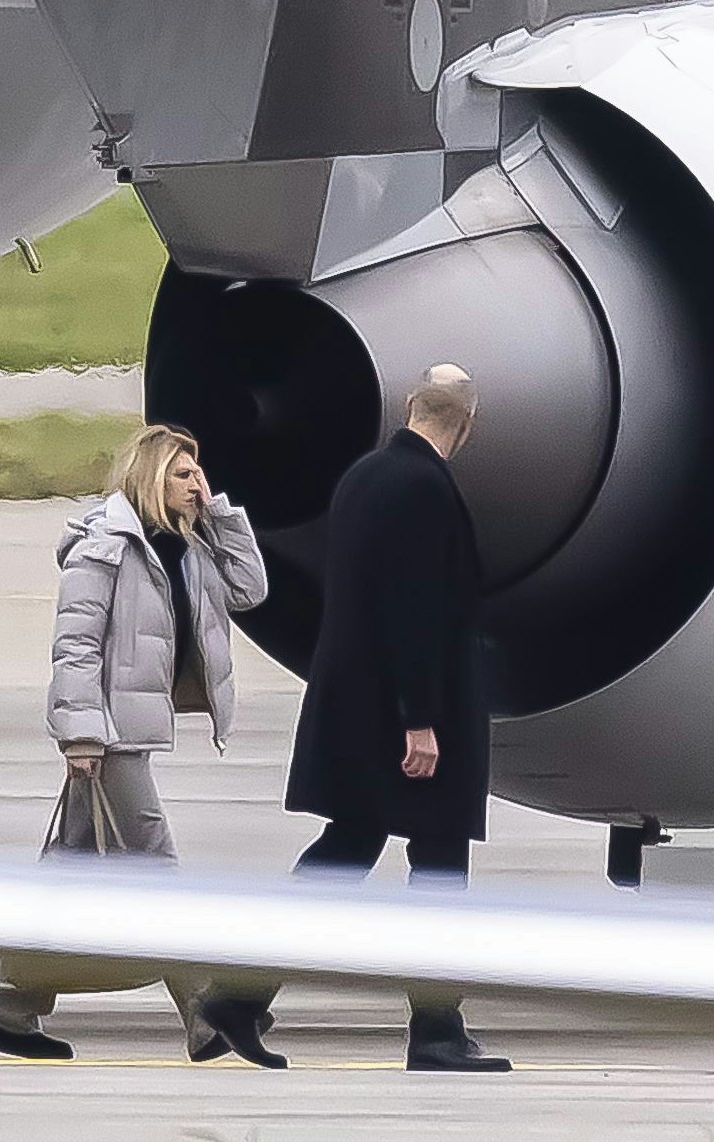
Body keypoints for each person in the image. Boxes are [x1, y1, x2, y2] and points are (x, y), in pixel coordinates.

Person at [200, 364, 510, 1074]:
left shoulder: (364, 477)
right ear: (467, 422)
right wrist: (421, 719)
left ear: (409, 406)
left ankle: (241, 996)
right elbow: (414, 610)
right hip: (403, 717)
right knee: (435, 868)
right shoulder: (423, 488)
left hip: (356, 707)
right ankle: (435, 1031)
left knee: (346, 850)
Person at [0, 424, 269, 1062]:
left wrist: (218, 514)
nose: (197, 483)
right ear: (151, 478)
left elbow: (250, 589)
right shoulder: (101, 549)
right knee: (156, 864)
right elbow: (75, 647)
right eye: (184, 475)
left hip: (128, 733)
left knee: (65, 877)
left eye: (198, 474)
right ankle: (204, 1015)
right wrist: (81, 732)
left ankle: (8, 1006)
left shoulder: (186, 548)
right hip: (107, 739)